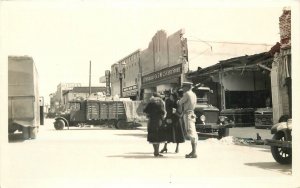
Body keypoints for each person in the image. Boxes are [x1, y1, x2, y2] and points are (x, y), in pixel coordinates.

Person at [178, 82, 198, 158]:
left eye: (183, 87)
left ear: (187, 87)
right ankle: (193, 151)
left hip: (187, 114)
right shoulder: (194, 94)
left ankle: (194, 152)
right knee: (194, 132)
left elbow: (180, 102)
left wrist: (179, 101)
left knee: (191, 132)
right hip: (192, 113)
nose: (182, 89)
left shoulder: (186, 94)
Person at [143, 92, 166, 157]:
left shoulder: (150, 103)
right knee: (158, 136)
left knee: (153, 136)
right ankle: (157, 152)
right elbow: (163, 112)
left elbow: (145, 111)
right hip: (159, 121)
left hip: (151, 121)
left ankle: (156, 151)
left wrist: (149, 114)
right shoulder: (161, 102)